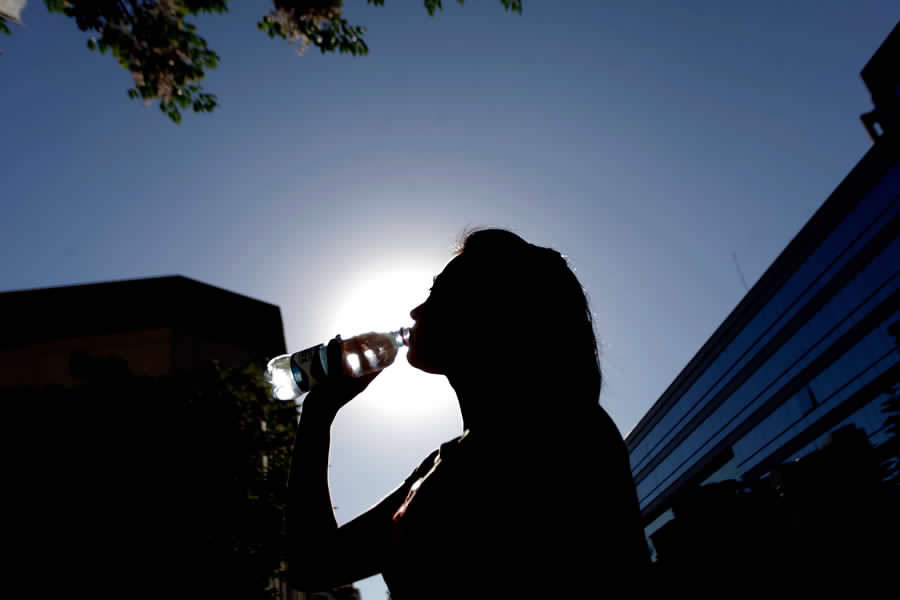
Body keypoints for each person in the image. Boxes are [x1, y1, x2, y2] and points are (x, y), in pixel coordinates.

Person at [287, 229, 650, 598]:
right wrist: (319, 412)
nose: (415, 312)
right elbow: (313, 565)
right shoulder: (442, 465)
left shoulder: (567, 432)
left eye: (436, 294)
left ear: (492, 313)